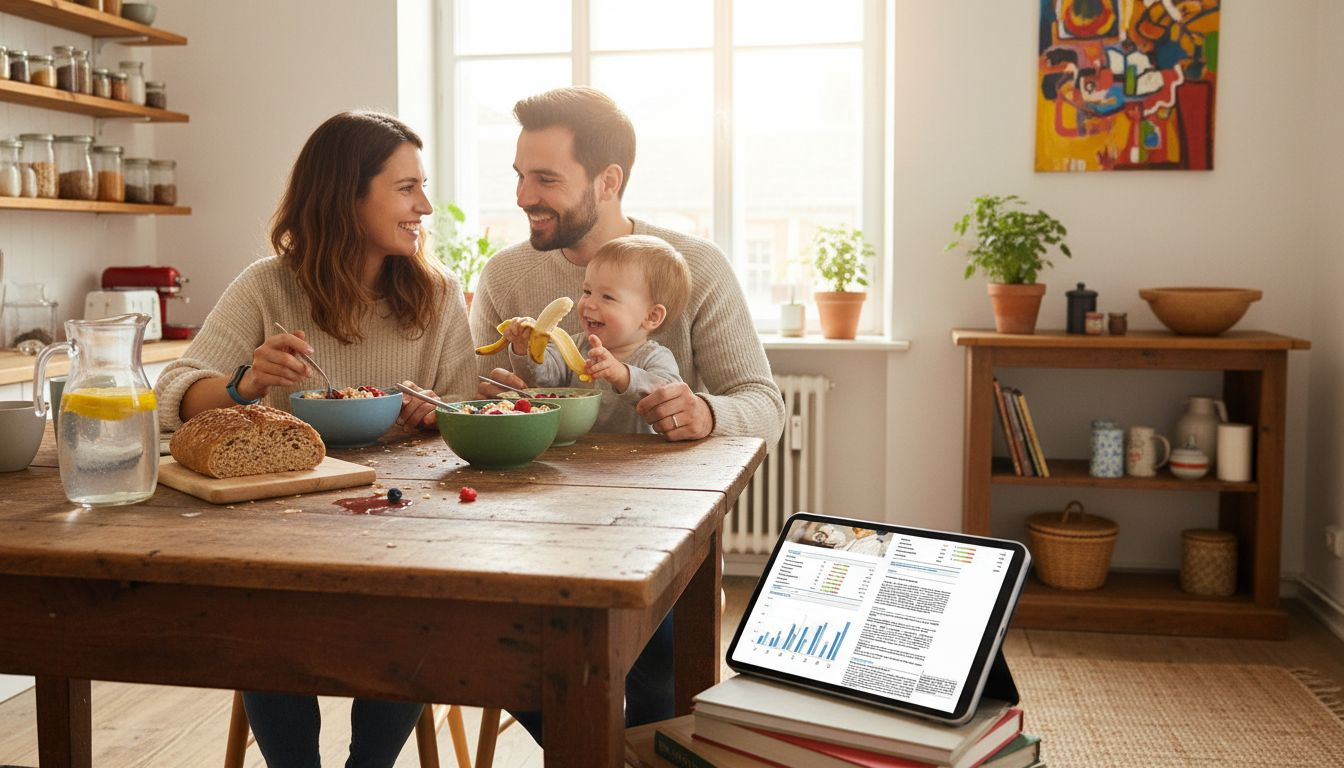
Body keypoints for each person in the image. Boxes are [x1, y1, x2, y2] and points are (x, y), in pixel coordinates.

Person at [154, 110, 476, 768]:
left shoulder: (439, 295)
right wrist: (244, 383)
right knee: (263, 613)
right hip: (282, 518)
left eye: (423, 186)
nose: (425, 206)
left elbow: (465, 408)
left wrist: (438, 415)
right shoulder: (267, 284)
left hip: (404, 518)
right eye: (406, 188)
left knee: (420, 609)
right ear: (347, 194)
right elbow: (173, 394)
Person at [470, 86, 784, 444]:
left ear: (608, 182)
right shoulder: (503, 275)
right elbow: (474, 394)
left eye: (546, 179)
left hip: (663, 495)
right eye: (520, 176)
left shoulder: (698, 266)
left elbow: (766, 409)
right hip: (533, 494)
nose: (522, 197)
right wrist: (487, 403)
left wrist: (706, 414)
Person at [496, 234, 690, 434]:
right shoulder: (575, 345)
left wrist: (621, 374)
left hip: (637, 460)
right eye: (587, 291)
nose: (589, 303)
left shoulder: (655, 357)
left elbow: (667, 397)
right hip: (577, 455)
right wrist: (523, 348)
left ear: (652, 316)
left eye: (607, 296)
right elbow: (539, 382)